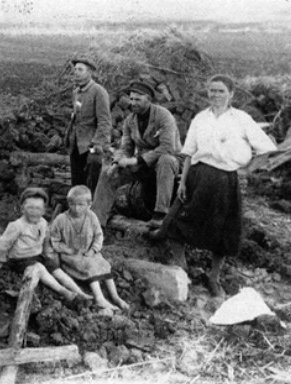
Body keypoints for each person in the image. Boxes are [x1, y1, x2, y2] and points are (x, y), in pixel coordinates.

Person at [151, 74, 277, 297]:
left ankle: (213, 278)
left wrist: (247, 171)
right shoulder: (200, 118)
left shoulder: (242, 119)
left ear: (231, 94)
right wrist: (183, 181)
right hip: (198, 176)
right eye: (212, 91)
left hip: (226, 180)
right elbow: (189, 153)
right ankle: (183, 267)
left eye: (221, 91)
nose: (215, 95)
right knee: (174, 224)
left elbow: (266, 149)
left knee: (225, 232)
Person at [91, 80, 183, 228]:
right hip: (145, 163)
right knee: (107, 173)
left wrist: (135, 161)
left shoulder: (164, 116)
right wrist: (117, 162)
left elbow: (167, 147)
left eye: (138, 99)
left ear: (149, 99)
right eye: (132, 99)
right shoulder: (130, 120)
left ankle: (160, 215)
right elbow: (126, 147)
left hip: (171, 161)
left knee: (165, 160)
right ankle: (96, 222)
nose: (133, 103)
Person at [0, 188, 93, 303]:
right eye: (30, 208)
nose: (34, 212)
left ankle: (80, 292)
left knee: (56, 269)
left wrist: (48, 254)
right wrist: (1, 259)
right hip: (19, 260)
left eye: (38, 208)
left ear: (44, 210)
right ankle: (63, 291)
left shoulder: (42, 222)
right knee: (40, 268)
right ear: (22, 209)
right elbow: (3, 243)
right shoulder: (17, 226)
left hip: (37, 256)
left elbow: (45, 240)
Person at [49, 185, 129, 312]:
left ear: (89, 205)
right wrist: (66, 249)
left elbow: (98, 235)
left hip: (89, 252)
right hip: (70, 255)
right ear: (68, 203)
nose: (76, 208)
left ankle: (115, 296)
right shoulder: (61, 219)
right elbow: (53, 240)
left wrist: (93, 250)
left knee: (104, 264)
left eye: (80, 205)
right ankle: (99, 298)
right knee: (90, 266)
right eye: (72, 204)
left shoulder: (91, 217)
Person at [65, 58, 113, 193]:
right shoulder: (76, 92)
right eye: (75, 69)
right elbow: (77, 117)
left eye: (80, 70)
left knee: (92, 181)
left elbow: (104, 121)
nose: (76, 72)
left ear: (89, 72)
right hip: (76, 144)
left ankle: (92, 210)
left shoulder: (99, 91)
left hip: (91, 145)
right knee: (77, 181)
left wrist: (97, 144)